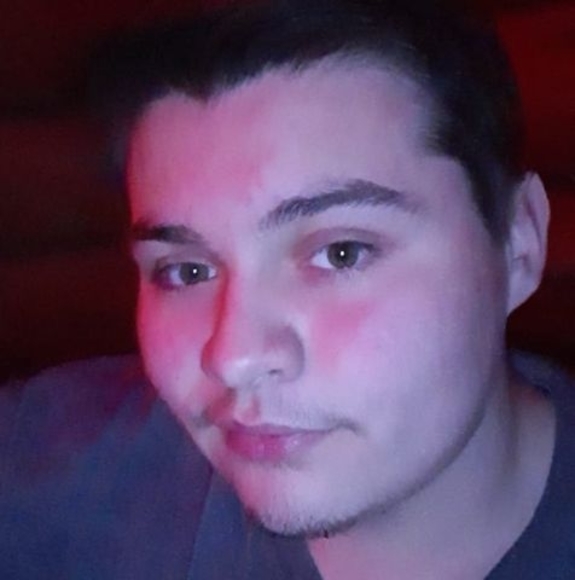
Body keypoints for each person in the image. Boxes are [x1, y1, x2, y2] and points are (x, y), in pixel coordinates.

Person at [1, 0, 573, 578]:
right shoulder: (45, 457)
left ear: (518, 244)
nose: (234, 358)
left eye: (341, 253)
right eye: (186, 272)